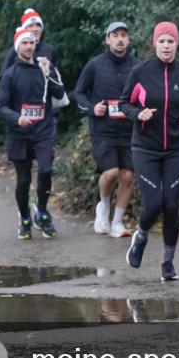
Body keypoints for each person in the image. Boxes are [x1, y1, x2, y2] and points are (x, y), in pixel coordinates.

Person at [119, 22, 179, 281]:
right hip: (145, 147)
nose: (166, 46)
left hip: (176, 149)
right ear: (155, 44)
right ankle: (141, 235)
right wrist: (137, 113)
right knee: (154, 203)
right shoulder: (140, 72)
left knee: (172, 205)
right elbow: (123, 103)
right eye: (162, 41)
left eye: (171, 41)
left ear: (177, 44)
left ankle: (168, 263)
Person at [0, 26, 66, 239]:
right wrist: (18, 117)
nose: (29, 46)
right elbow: (1, 105)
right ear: (18, 47)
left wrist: (50, 72)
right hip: (19, 133)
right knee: (23, 179)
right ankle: (25, 217)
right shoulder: (10, 74)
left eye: (31, 43)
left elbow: (60, 93)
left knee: (45, 170)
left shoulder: (44, 68)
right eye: (24, 43)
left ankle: (42, 210)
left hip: (43, 131)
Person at [74, 21, 140, 238]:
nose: (120, 39)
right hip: (103, 130)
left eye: (124, 35)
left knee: (128, 175)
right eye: (115, 35)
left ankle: (117, 222)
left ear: (128, 40)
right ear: (107, 39)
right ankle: (103, 207)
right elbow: (79, 94)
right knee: (111, 173)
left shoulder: (137, 66)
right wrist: (93, 108)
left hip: (130, 130)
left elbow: (146, 94)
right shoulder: (95, 65)